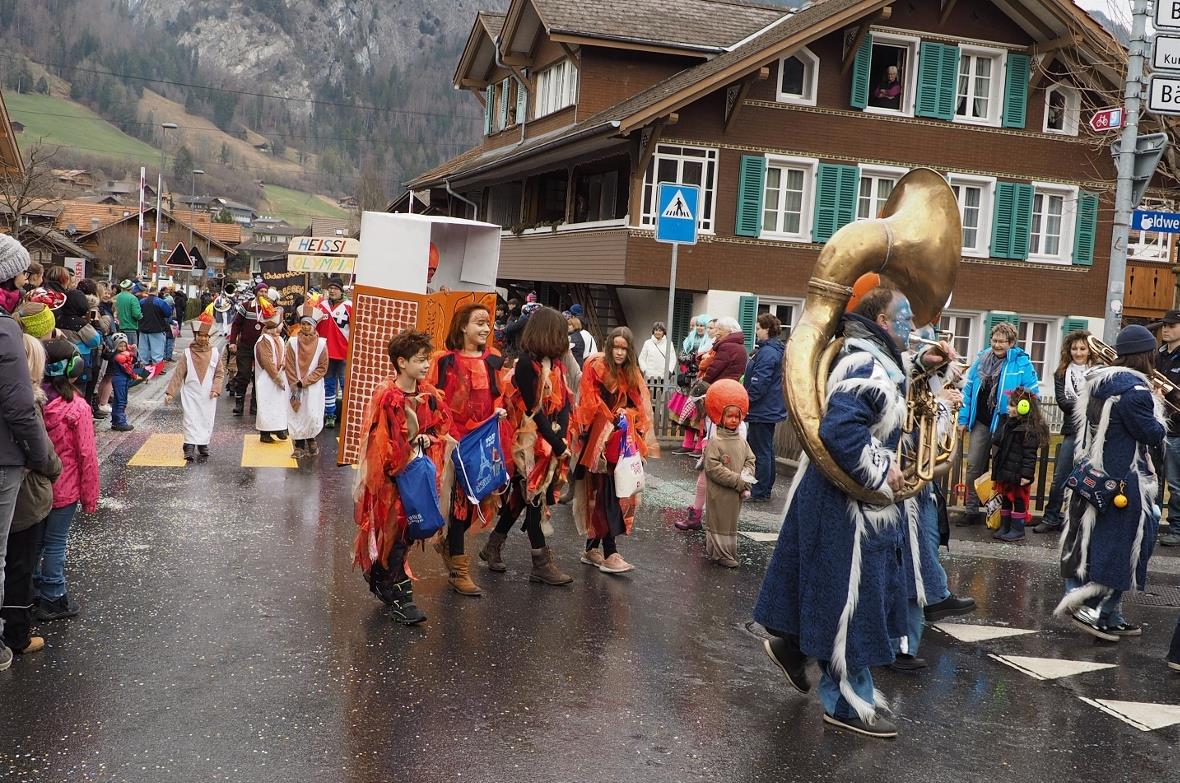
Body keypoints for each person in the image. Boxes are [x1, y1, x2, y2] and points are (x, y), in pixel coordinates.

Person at [755, 287, 937, 739]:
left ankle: (795, 649)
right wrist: (884, 466)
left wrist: (923, 368)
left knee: (836, 595)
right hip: (846, 507)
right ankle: (844, 703)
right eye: (905, 317)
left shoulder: (874, 360)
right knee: (848, 606)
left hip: (845, 503)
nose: (911, 327)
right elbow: (842, 429)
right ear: (879, 320)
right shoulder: (865, 364)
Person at [1056, 324, 1166, 642]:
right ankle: (1093, 609)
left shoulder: (1100, 381)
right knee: (1125, 546)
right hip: (1124, 480)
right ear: (1145, 355)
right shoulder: (1136, 392)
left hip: (1098, 474)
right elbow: (1152, 434)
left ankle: (1110, 613)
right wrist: (1157, 406)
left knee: (1098, 542)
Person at [353, 330, 452, 625]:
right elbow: (380, 442)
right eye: (420, 360)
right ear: (401, 362)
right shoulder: (387, 397)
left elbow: (440, 427)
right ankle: (401, 593)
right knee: (395, 531)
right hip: (391, 479)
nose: (425, 366)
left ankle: (381, 578)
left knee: (408, 533)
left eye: (427, 360)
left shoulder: (429, 395)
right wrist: (406, 449)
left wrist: (427, 439)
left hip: (417, 476)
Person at [481, 307, 574, 586]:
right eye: (562, 333)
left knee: (523, 497)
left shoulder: (556, 364)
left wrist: (563, 435)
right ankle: (540, 562)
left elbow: (564, 401)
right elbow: (534, 410)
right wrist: (557, 442)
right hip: (525, 442)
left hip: (547, 439)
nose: (566, 339)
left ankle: (493, 545)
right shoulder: (525, 364)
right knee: (534, 496)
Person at [0, 235, 54, 671]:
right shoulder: (6, 330)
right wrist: (41, 457)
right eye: (18, 276)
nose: (22, 286)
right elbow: (19, 406)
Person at [429, 302, 505, 594]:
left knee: (477, 501)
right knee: (459, 503)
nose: (486, 328)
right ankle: (459, 570)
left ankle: (451, 547)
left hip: (483, 442)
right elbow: (434, 398)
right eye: (479, 323)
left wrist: (500, 412)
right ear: (463, 326)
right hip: (452, 442)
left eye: (488, 323)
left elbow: (498, 396)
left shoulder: (494, 360)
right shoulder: (444, 361)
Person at [572, 325, 657, 574]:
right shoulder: (596, 366)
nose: (619, 353)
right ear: (609, 347)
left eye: (624, 348)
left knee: (609, 494)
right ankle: (610, 551)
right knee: (605, 493)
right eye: (615, 347)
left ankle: (592, 548)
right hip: (599, 442)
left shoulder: (632, 374)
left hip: (621, 442)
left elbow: (640, 407)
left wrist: (626, 416)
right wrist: (608, 419)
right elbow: (588, 402)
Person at [34, 338, 99, 623]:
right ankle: (53, 596)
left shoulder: (34, 401)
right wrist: (90, 498)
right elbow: (86, 455)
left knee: (36, 542)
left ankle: (32, 590)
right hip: (66, 487)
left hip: (34, 488)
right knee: (57, 542)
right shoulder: (78, 408)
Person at [3, 335, 58, 657]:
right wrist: (53, 468)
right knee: (20, 565)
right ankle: (17, 633)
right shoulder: (27, 401)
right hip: (25, 495)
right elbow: (43, 454)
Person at [956, 321, 1040, 526]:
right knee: (974, 465)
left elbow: (1032, 394)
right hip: (982, 422)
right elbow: (968, 392)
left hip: (1006, 424)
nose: (997, 345)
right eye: (994, 340)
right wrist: (963, 419)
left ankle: (998, 514)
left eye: (1002, 341)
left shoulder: (1022, 363)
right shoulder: (980, 360)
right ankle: (971, 509)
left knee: (1002, 470)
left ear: (1011, 343)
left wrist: (1019, 417)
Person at [1037, 331, 1095, 533]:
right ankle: (1051, 516)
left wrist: (1084, 404)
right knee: (1061, 476)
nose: (1078, 353)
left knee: (1090, 478)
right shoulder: (1061, 373)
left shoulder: (1098, 371)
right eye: (1074, 349)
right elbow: (1063, 403)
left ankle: (1081, 521)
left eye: (1082, 348)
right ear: (1068, 350)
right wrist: (1088, 402)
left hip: (1095, 433)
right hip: (1072, 431)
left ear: (1089, 350)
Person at [702, 380, 756, 568]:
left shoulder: (742, 442)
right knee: (718, 521)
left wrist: (747, 474)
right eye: (730, 416)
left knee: (731, 523)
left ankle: (726, 552)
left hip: (734, 493)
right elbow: (712, 468)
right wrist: (737, 480)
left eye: (736, 416)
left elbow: (751, 459)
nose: (733, 420)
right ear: (721, 417)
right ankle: (720, 554)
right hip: (719, 493)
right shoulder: (715, 442)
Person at [164, 308, 225, 462]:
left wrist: (216, 389)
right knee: (190, 418)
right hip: (191, 392)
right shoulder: (187, 353)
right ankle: (189, 446)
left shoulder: (215, 353)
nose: (203, 338)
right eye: (200, 335)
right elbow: (178, 374)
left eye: (206, 336)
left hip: (208, 394)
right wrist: (170, 392)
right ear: (195, 335)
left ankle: (203, 444)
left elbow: (219, 373)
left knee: (206, 419)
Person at [988, 387, 1047, 542]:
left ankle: (1017, 528)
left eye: (1012, 405)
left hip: (1019, 473)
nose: (1008, 408)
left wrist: (1026, 475)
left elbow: (1029, 455)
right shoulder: (1010, 424)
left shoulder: (1029, 430)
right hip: (1007, 471)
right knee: (1006, 498)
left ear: (1023, 407)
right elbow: (998, 442)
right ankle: (1005, 526)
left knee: (1018, 500)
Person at [744, 313, 788, 502]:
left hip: (762, 409)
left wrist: (747, 401)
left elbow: (759, 382)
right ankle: (764, 488)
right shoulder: (772, 350)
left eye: (759, 328)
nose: (756, 332)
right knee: (766, 450)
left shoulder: (768, 352)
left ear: (767, 329)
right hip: (768, 408)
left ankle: (760, 490)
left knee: (760, 451)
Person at [285, 302, 329, 459]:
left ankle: (311, 440)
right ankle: (298, 445)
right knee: (296, 414)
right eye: (303, 324)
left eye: (308, 325)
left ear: (314, 327)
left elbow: (322, 367)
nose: (305, 327)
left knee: (311, 414)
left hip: (313, 386)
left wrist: (305, 381)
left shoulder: (322, 344)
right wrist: (294, 383)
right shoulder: (292, 342)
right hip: (295, 385)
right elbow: (289, 365)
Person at [1155, 311, 1180, 546]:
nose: (1166, 329)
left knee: (1175, 482)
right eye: (1165, 325)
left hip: (1177, 430)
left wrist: (1167, 392)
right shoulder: (1159, 355)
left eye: (1172, 325)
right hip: (1156, 426)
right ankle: (1151, 522)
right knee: (1153, 478)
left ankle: (1177, 528)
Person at [228, 283, 271, 416]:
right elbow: (236, 324)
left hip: (262, 348)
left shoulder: (269, 308)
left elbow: (274, 326)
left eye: (265, 291)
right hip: (245, 346)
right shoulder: (246, 306)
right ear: (256, 292)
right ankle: (239, 404)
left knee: (259, 376)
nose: (263, 294)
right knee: (244, 374)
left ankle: (255, 404)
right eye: (261, 291)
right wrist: (232, 342)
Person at [673, 315, 714, 456]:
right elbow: (682, 357)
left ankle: (699, 446)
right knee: (687, 414)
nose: (700, 328)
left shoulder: (710, 342)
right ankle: (687, 443)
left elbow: (703, 361)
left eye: (704, 325)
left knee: (699, 414)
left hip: (700, 382)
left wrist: (694, 359)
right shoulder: (689, 340)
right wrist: (692, 358)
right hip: (686, 384)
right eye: (698, 325)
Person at [315, 276, 352, 429]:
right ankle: (330, 414)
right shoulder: (321, 306)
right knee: (329, 385)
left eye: (335, 288)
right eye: (330, 288)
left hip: (344, 353)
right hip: (325, 352)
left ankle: (346, 415)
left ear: (341, 290)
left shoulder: (350, 306)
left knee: (345, 385)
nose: (332, 290)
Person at [253, 303, 289, 443]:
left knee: (279, 404)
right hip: (267, 378)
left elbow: (284, 354)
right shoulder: (264, 340)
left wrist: (284, 366)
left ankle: (279, 428)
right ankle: (265, 433)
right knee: (266, 404)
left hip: (278, 375)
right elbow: (267, 361)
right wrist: (276, 377)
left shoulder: (279, 338)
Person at [108, 332, 146, 432]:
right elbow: (127, 368)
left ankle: (115, 421)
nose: (124, 347)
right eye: (121, 345)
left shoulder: (118, 354)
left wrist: (131, 349)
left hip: (120, 379)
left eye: (125, 345)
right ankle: (121, 422)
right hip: (120, 380)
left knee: (117, 400)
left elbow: (132, 360)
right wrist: (135, 376)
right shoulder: (119, 357)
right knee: (121, 401)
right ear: (116, 345)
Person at [137, 286, 172, 372]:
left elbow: (137, 312)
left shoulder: (141, 301)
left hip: (143, 329)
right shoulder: (160, 302)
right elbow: (168, 313)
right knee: (157, 351)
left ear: (149, 292)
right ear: (156, 292)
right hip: (157, 329)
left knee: (143, 350)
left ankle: (143, 367)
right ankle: (157, 369)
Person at [114, 279, 142, 347]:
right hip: (130, 328)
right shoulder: (133, 298)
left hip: (117, 328)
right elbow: (136, 314)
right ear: (131, 288)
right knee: (131, 351)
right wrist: (140, 316)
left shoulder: (116, 297)